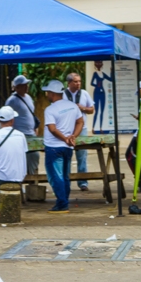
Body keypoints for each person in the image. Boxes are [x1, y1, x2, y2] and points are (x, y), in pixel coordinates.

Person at [42, 79, 83, 214]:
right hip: (68, 147)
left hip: (54, 146)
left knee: (55, 176)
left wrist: (65, 138)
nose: (46, 94)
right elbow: (80, 122)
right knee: (65, 175)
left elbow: (52, 129)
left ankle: (62, 203)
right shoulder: (72, 106)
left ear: (52, 93)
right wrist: (73, 137)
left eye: (47, 92)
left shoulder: (50, 110)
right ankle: (64, 200)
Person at [64, 73, 95, 191]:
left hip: (82, 129)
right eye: (75, 82)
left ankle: (83, 182)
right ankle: (66, 181)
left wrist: (83, 108)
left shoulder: (84, 94)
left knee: (82, 155)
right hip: (67, 129)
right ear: (69, 83)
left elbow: (92, 110)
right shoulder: (63, 95)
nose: (78, 84)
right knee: (67, 155)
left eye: (79, 81)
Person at [6, 75, 40, 176]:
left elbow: (31, 113)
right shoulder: (12, 100)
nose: (26, 87)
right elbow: (7, 116)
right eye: (23, 85)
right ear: (17, 87)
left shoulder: (28, 97)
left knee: (34, 156)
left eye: (26, 84)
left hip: (31, 133)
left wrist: (35, 127)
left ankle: (33, 182)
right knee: (21, 159)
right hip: (20, 134)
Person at [90, 61, 113, 132]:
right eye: (98, 63)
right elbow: (91, 83)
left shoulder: (103, 74)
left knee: (102, 111)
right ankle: (93, 128)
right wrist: (97, 86)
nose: (99, 64)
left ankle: (101, 128)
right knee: (96, 111)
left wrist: (111, 71)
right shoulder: (95, 73)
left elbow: (111, 79)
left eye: (100, 63)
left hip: (102, 93)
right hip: (96, 93)